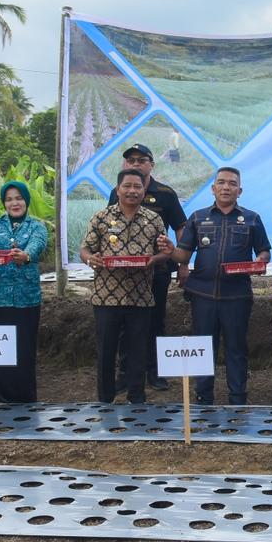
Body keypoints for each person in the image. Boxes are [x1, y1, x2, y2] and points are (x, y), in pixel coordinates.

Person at [171, 166, 271, 405]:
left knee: (236, 349)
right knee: (203, 348)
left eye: (232, 183)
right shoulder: (197, 217)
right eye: (222, 182)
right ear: (213, 188)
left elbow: (264, 251)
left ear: (240, 191)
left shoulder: (252, 218)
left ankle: (238, 398)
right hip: (202, 295)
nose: (226, 187)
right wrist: (169, 251)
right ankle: (203, 397)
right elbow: (183, 255)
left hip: (237, 296)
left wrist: (260, 260)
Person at [82, 169, 175, 405]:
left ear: (144, 191)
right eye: (127, 186)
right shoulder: (101, 217)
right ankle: (105, 399)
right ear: (118, 190)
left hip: (141, 296)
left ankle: (137, 398)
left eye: (137, 186)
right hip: (106, 297)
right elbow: (85, 249)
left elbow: (165, 252)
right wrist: (90, 259)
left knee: (138, 350)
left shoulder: (153, 220)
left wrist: (156, 258)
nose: (132, 191)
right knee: (106, 351)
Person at [107, 143, 187, 391]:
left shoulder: (165, 194)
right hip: (124, 272)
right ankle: (126, 375)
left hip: (157, 271)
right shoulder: (116, 192)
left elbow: (181, 228)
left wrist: (183, 264)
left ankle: (156, 372)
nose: (136, 164)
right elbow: (109, 227)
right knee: (124, 323)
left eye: (141, 160)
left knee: (155, 321)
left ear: (152, 164)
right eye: (131, 160)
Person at [0, 181, 48, 403]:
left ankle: (23, 398)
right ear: (4, 203)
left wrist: (26, 255)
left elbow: (37, 245)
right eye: (9, 199)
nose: (15, 203)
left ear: (26, 201)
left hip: (25, 298)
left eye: (19, 198)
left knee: (23, 348)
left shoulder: (37, 227)